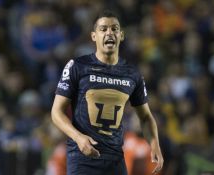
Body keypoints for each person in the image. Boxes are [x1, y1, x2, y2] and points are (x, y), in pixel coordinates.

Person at [51, 10, 163, 175]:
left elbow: (145, 117)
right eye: (103, 29)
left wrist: (154, 144)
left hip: (115, 159)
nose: (109, 33)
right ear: (94, 36)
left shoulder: (132, 74)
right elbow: (56, 112)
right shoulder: (77, 66)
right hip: (83, 157)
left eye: (114, 28)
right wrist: (78, 137)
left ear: (121, 35)